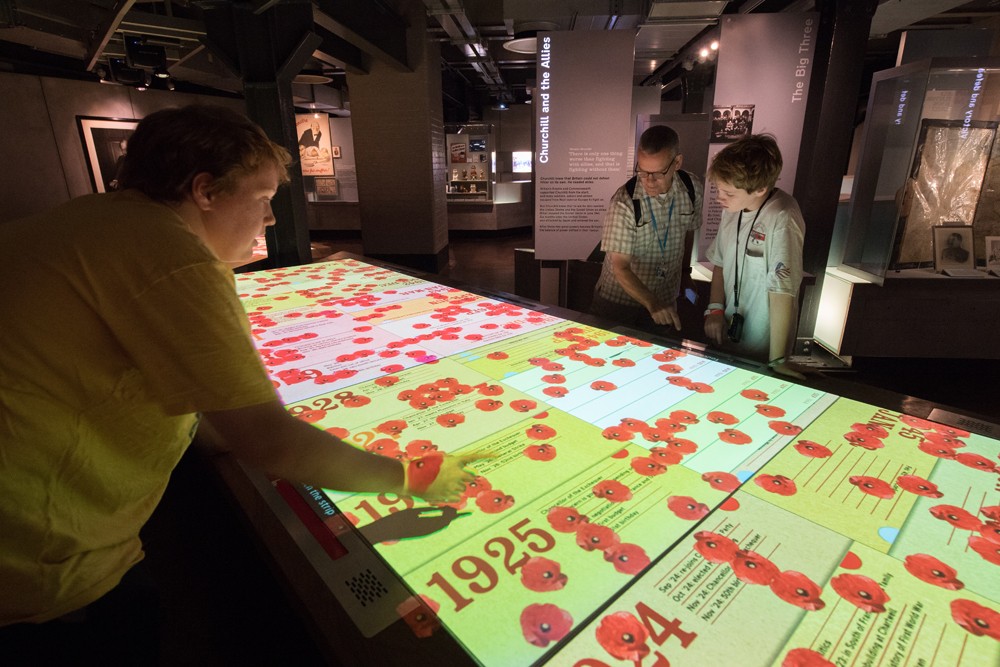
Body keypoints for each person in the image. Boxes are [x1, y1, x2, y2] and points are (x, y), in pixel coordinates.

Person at [0, 104, 482, 661]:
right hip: (40, 568)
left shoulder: (95, 221)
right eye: (262, 199)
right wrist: (409, 477)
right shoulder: (171, 253)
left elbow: (194, 409)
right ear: (205, 191)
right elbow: (268, 443)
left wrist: (232, 428)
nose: (270, 219)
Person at [703, 134, 806, 379]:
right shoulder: (734, 208)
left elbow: (782, 289)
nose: (720, 198)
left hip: (764, 346)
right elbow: (720, 262)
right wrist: (715, 309)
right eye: (718, 189)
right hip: (729, 332)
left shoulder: (782, 217)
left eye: (728, 192)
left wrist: (777, 359)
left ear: (760, 189)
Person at [590, 125, 703, 333]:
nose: (649, 182)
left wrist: (685, 273)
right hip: (619, 302)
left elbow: (689, 231)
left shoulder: (692, 188)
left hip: (665, 297)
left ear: (677, 162)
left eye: (658, 173)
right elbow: (620, 267)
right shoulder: (624, 202)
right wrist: (652, 303)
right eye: (642, 172)